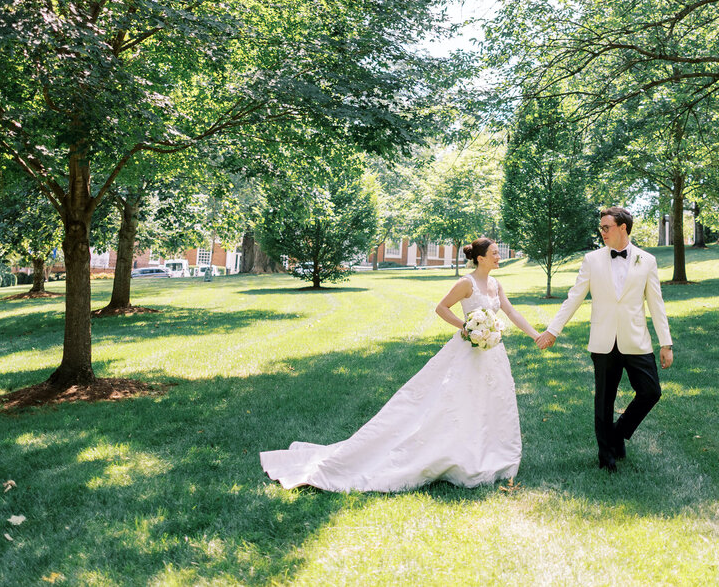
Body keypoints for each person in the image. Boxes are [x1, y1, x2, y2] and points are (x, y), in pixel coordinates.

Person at [259, 238, 541, 492]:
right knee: (455, 403)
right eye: (495, 253)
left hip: (492, 354)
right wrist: (466, 327)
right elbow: (441, 308)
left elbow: (511, 312)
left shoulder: (495, 285)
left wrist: (536, 335)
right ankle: (454, 456)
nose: (499, 257)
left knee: (489, 403)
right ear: (480, 258)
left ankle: (487, 453)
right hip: (467, 352)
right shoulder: (466, 283)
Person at [535, 206, 673, 472]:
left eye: (606, 227)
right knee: (604, 400)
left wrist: (665, 343)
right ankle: (605, 457)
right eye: (601, 228)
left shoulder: (647, 260)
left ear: (623, 228)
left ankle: (618, 432)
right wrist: (553, 330)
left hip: (636, 340)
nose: (602, 232)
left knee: (651, 392)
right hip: (603, 340)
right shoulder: (592, 260)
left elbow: (656, 304)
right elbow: (574, 297)